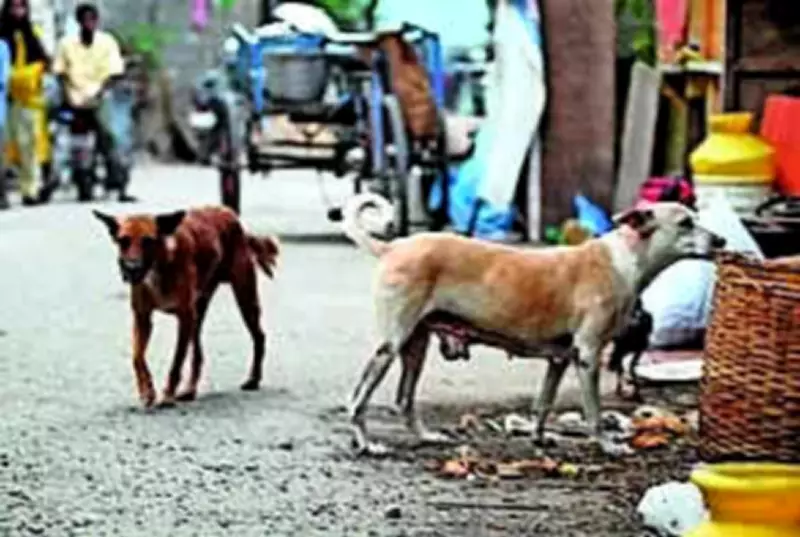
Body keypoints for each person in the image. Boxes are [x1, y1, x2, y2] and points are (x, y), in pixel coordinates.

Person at [52, 2, 134, 202]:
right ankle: (79, 179)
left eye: (92, 19)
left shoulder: (107, 42)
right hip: (74, 98)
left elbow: (114, 73)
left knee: (111, 138)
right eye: (85, 20)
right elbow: (60, 73)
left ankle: (117, 182)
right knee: (74, 143)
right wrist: (68, 96)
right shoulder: (66, 44)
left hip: (100, 97)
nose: (89, 24)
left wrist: (99, 92)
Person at [0, 0, 49, 207]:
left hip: (28, 99)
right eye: (13, 7)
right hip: (4, 99)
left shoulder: (32, 34)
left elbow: (42, 62)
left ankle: (30, 189)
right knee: (4, 147)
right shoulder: (2, 36)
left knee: (28, 145)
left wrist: (24, 77)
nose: (17, 11)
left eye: (21, 7)